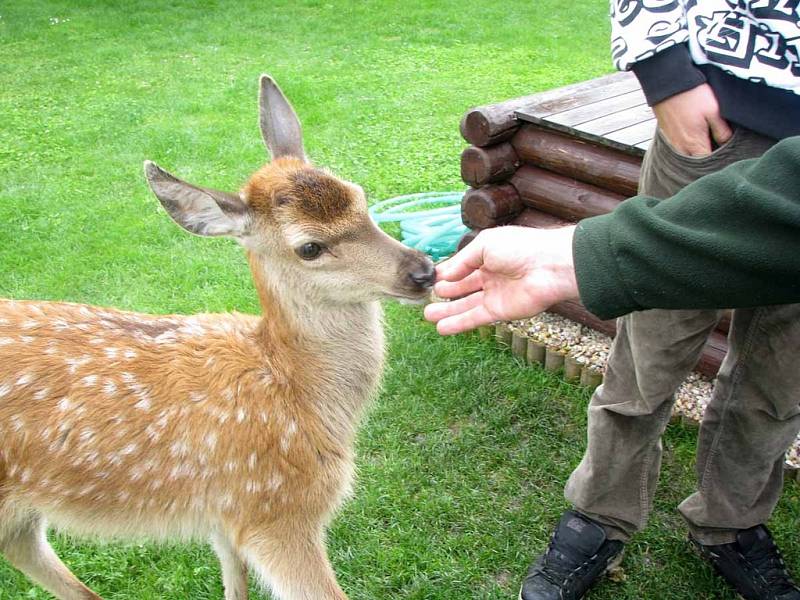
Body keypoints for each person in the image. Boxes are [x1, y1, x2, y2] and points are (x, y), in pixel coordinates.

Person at [430, 3, 800, 599]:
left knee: (781, 369)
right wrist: (666, 73)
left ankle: (730, 522)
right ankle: (600, 516)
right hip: (718, 122)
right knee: (650, 349)